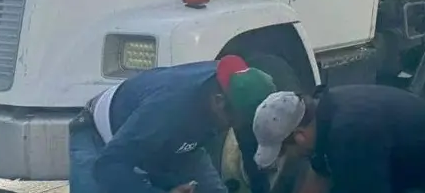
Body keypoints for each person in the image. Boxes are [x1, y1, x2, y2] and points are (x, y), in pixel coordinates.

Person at [69, 56, 277, 193]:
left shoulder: (236, 89)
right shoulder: (167, 109)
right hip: (101, 139)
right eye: (233, 123)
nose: (233, 129)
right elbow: (108, 166)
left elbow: (249, 144)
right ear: (218, 102)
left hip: (179, 143)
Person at [251, 85, 425, 193]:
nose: (287, 158)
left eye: (283, 151)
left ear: (299, 137)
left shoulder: (351, 137)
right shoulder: (323, 112)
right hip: (400, 159)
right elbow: (318, 176)